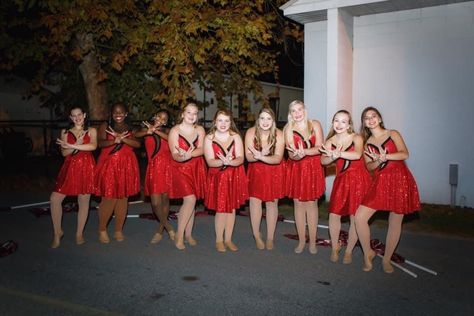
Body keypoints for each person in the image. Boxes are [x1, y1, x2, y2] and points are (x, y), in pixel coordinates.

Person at [354, 106, 421, 273]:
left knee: (395, 222)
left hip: (399, 179)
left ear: (379, 118)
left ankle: (387, 259)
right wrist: (378, 161)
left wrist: (386, 156)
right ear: (364, 123)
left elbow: (404, 154)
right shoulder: (367, 143)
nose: (371, 119)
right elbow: (369, 167)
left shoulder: (393, 134)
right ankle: (368, 253)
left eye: (373, 116)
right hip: (380, 181)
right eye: (366, 118)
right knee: (360, 217)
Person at [320, 110, 371, 263]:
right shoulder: (330, 141)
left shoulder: (357, 137)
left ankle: (348, 250)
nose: (339, 124)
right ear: (332, 122)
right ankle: (335, 247)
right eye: (336, 120)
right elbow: (323, 161)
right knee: (334, 214)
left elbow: (357, 155)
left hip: (359, 180)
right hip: (341, 180)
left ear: (349, 124)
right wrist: (331, 156)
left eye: (343, 121)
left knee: (354, 217)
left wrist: (338, 154)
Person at [50, 106, 97, 248]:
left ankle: (79, 233)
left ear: (84, 115)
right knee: (54, 198)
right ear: (70, 118)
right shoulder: (65, 132)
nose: (77, 117)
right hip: (70, 168)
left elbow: (93, 146)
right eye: (73, 115)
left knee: (83, 201)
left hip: (86, 168)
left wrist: (74, 146)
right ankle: (57, 232)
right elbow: (64, 153)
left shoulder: (92, 130)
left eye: (79, 114)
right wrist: (75, 145)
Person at [95, 103, 140, 243]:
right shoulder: (105, 126)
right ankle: (102, 229)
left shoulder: (131, 128)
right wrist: (114, 140)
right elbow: (100, 143)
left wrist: (123, 139)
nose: (118, 115)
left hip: (126, 165)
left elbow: (137, 144)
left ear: (126, 113)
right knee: (109, 198)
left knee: (123, 199)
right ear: (111, 113)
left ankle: (118, 230)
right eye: (115, 112)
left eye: (121, 112)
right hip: (109, 165)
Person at [283, 100, 325, 254]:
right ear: (290, 114)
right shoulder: (288, 128)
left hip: (313, 168)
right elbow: (290, 155)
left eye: (300, 109)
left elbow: (320, 147)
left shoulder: (314, 124)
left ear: (304, 110)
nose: (297, 113)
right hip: (296, 169)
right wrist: (296, 155)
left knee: (312, 206)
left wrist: (304, 152)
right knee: (298, 205)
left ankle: (313, 242)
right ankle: (301, 241)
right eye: (294, 110)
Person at [204, 109, 248, 252]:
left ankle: (228, 239)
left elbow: (241, 158)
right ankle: (219, 240)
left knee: (232, 208)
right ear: (215, 122)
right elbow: (210, 162)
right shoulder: (209, 138)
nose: (223, 124)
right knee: (221, 209)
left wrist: (231, 162)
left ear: (231, 122)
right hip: (218, 176)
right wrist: (223, 162)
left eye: (227, 121)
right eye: (220, 120)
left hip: (234, 175)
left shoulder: (235, 136)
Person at [245, 107, 285, 250]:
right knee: (255, 203)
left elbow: (277, 158)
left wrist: (261, 156)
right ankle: (256, 235)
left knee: (272, 204)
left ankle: (270, 237)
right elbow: (249, 157)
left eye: (268, 118)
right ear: (258, 119)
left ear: (273, 120)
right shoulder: (250, 132)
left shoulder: (279, 134)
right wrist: (260, 155)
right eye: (262, 118)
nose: (265, 121)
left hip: (274, 172)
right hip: (256, 171)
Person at [168, 102, 207, 250]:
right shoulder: (175, 130)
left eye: (195, 113)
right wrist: (182, 157)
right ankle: (179, 234)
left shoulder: (200, 129)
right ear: (183, 114)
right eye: (189, 112)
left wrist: (190, 154)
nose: (192, 116)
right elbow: (174, 154)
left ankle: (188, 234)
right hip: (180, 168)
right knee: (189, 199)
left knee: (193, 201)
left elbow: (202, 148)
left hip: (196, 167)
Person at [135, 109, 175, 244]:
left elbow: (171, 140)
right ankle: (168, 227)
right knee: (155, 202)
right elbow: (136, 134)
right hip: (153, 168)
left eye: (164, 119)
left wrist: (156, 131)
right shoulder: (146, 128)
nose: (161, 120)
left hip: (167, 167)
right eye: (159, 117)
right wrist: (148, 131)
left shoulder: (169, 131)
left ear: (167, 121)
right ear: (154, 115)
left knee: (165, 199)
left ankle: (160, 229)